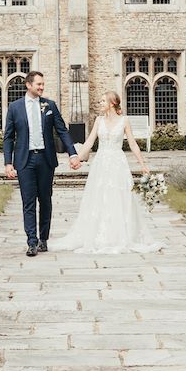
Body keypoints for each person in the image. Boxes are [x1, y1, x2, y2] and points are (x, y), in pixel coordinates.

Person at [49, 91, 163, 254]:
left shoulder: (124, 121)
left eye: (103, 101)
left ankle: (119, 235)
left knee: (118, 198)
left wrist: (142, 164)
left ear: (112, 103)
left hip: (118, 164)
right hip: (101, 163)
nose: (100, 103)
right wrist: (77, 158)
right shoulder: (99, 120)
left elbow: (132, 144)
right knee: (99, 196)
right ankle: (99, 234)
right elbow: (89, 142)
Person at [3, 70, 80, 256]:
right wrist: (8, 163)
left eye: (43, 84)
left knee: (45, 200)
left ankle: (43, 239)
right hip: (25, 160)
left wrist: (72, 153)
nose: (42, 87)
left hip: (45, 159)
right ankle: (31, 241)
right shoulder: (15, 107)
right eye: (38, 84)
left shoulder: (49, 105)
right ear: (28, 85)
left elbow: (62, 131)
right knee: (28, 202)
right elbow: (8, 137)